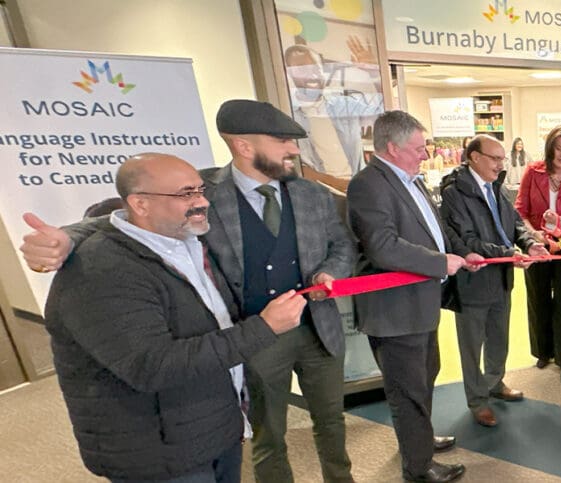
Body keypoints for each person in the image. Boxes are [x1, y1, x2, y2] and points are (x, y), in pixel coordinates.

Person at [22, 100, 359, 483]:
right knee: (267, 431)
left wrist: (330, 272)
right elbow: (125, 218)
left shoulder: (310, 193)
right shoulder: (202, 191)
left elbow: (341, 244)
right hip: (248, 335)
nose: (294, 150)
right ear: (244, 146)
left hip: (317, 328)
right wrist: (66, 237)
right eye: (283, 141)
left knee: (331, 420)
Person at [42, 153, 306, 482]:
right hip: (159, 453)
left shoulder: (187, 240)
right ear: (140, 204)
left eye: (200, 190)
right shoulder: (99, 271)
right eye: (186, 194)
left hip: (212, 429)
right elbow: (153, 366)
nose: (202, 202)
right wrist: (264, 328)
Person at [347, 110, 474, 482]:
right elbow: (382, 246)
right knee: (408, 391)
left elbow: (434, 232)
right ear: (392, 147)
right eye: (419, 148)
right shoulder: (368, 185)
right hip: (395, 311)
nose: (426, 154)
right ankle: (418, 468)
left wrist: (462, 254)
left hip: (419, 304)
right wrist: (439, 262)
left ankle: (419, 442)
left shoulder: (410, 181)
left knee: (424, 377)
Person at [439, 135, 548, 427]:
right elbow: (466, 240)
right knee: (472, 347)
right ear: (474, 157)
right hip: (473, 285)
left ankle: (495, 382)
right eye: (495, 158)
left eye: (502, 158)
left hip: (501, 280)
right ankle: (477, 401)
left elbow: (513, 224)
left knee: (499, 338)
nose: (501, 164)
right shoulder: (454, 193)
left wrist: (529, 244)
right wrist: (508, 254)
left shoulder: (496, 187)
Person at [515, 125, 561, 386]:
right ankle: (543, 352)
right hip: (537, 246)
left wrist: (559, 220)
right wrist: (534, 234)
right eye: (559, 149)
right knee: (538, 298)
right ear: (550, 149)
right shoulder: (532, 172)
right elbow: (520, 211)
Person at [283, 44, 384, 188]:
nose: (312, 74)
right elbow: (297, 167)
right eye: (303, 69)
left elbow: (383, 109)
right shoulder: (287, 116)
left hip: (359, 188)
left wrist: (374, 73)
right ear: (290, 73)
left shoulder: (342, 104)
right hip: (321, 193)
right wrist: (339, 184)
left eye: (316, 68)